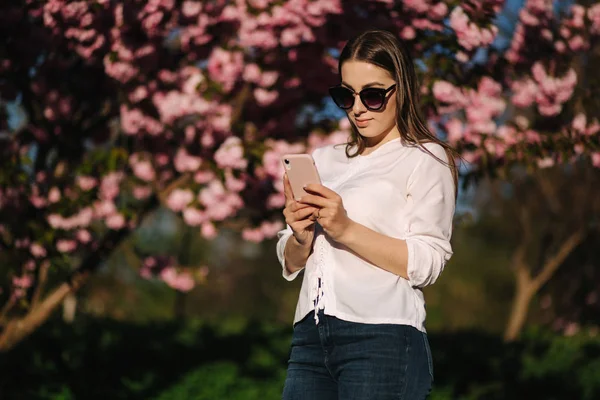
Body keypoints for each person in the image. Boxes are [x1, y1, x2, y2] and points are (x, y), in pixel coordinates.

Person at [276, 29, 458, 400]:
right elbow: (291, 259)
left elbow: (428, 262)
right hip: (309, 338)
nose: (357, 108)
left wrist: (344, 228)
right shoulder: (323, 160)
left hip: (382, 338)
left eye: (373, 95)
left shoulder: (425, 159)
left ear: (400, 89)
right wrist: (300, 236)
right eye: (346, 95)